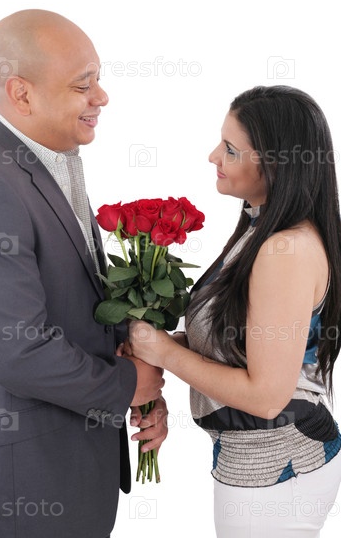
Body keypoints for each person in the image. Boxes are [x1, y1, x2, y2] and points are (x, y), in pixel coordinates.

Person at [0, 9, 168, 538]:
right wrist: (127, 384)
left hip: (75, 469)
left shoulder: (48, 160)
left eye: (98, 80)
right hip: (27, 484)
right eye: (82, 85)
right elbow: (14, 349)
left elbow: (79, 307)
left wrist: (142, 391)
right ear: (21, 93)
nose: (101, 97)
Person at [128, 85, 341, 537]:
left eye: (230, 149)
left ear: (275, 164)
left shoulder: (285, 250)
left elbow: (266, 397)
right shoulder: (262, 228)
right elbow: (242, 344)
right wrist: (158, 347)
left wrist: (164, 353)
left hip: (278, 469)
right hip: (262, 462)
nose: (213, 157)